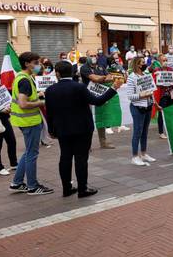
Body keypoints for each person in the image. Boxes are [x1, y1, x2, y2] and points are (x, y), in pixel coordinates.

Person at [45, 61, 122, 197]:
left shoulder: (50, 90)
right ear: (73, 73)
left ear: (57, 73)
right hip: (82, 129)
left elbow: (49, 112)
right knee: (81, 158)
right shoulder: (79, 87)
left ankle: (67, 188)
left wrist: (51, 130)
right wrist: (113, 88)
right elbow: (97, 101)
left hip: (62, 129)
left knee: (65, 157)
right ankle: (82, 188)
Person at [9, 52, 54, 195]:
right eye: (35, 62)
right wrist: (41, 102)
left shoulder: (22, 77)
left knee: (28, 152)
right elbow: (23, 103)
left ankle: (16, 183)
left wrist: (38, 95)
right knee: (32, 154)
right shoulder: (24, 80)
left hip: (24, 121)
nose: (38, 65)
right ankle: (33, 186)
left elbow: (24, 97)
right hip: (29, 121)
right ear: (27, 63)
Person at [80, 51, 117, 148]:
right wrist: (105, 78)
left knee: (101, 117)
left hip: (100, 94)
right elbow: (94, 79)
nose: (93, 57)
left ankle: (103, 142)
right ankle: (86, 144)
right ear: (86, 57)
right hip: (87, 95)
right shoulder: (84, 68)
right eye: (91, 56)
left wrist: (103, 78)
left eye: (94, 55)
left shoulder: (100, 66)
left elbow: (109, 76)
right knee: (86, 119)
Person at [126, 57, 156, 166]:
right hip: (137, 107)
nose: (145, 65)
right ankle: (134, 156)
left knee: (145, 132)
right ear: (137, 65)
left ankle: (144, 153)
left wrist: (154, 103)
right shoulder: (131, 78)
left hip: (148, 106)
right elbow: (130, 96)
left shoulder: (147, 76)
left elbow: (152, 91)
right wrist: (141, 95)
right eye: (143, 63)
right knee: (137, 132)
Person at [151, 55, 173, 139]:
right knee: (161, 113)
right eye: (163, 60)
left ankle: (170, 130)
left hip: (171, 95)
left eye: (166, 60)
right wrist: (156, 76)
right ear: (160, 62)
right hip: (162, 95)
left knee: (170, 113)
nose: (165, 61)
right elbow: (153, 83)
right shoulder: (157, 70)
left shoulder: (171, 70)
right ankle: (161, 132)